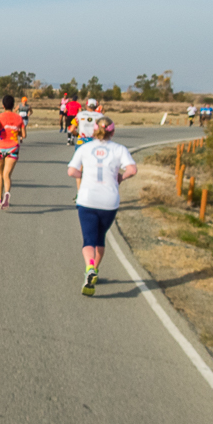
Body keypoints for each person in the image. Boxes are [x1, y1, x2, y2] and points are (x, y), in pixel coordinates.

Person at [67, 117, 137, 296]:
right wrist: (121, 177)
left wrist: (83, 174)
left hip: (87, 199)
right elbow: (132, 169)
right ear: (112, 131)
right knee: (100, 237)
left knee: (88, 240)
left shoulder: (85, 148)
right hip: (109, 201)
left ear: (94, 130)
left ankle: (90, 267)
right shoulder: (119, 149)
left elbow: (71, 171)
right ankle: (93, 271)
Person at [0, 95, 25, 209]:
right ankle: (7, 194)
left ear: (3, 105)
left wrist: (0, 129)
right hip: (13, 148)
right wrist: (14, 131)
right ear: (13, 105)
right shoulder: (19, 118)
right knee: (7, 175)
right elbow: (24, 135)